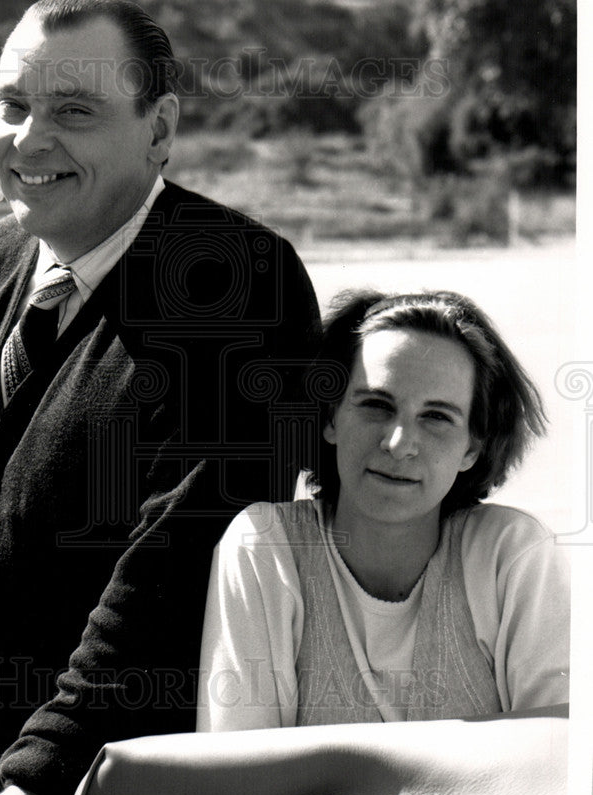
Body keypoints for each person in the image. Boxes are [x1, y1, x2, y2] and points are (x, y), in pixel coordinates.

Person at [0, 0, 321, 795]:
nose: (28, 139)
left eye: (74, 112)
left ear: (158, 128)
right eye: (11, 104)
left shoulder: (234, 283)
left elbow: (181, 558)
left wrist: (51, 783)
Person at [197, 289, 570, 732]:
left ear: (473, 446)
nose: (398, 444)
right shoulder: (268, 548)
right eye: (376, 405)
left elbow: (560, 759)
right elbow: (239, 775)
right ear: (331, 416)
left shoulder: (510, 556)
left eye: (436, 417)